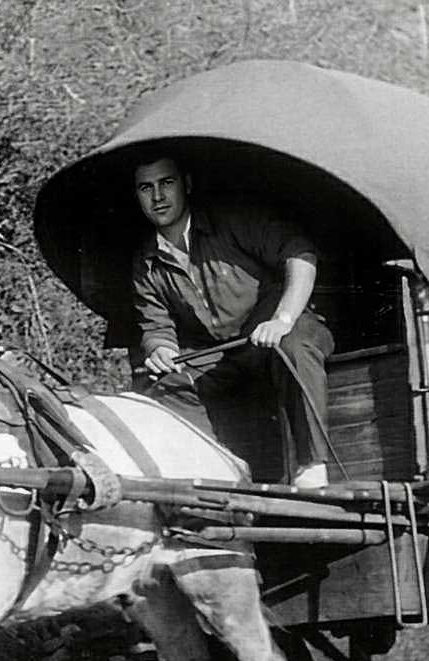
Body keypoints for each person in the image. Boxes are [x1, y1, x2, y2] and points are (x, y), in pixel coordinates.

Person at [130, 153, 335, 488]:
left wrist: (282, 319)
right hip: (222, 354)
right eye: (145, 187)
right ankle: (212, 471)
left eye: (166, 183)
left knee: (294, 347)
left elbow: (300, 255)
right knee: (165, 387)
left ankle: (312, 464)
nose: (158, 197)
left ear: (187, 184)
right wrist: (161, 350)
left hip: (278, 329)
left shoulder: (234, 220)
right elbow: (156, 325)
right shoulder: (146, 261)